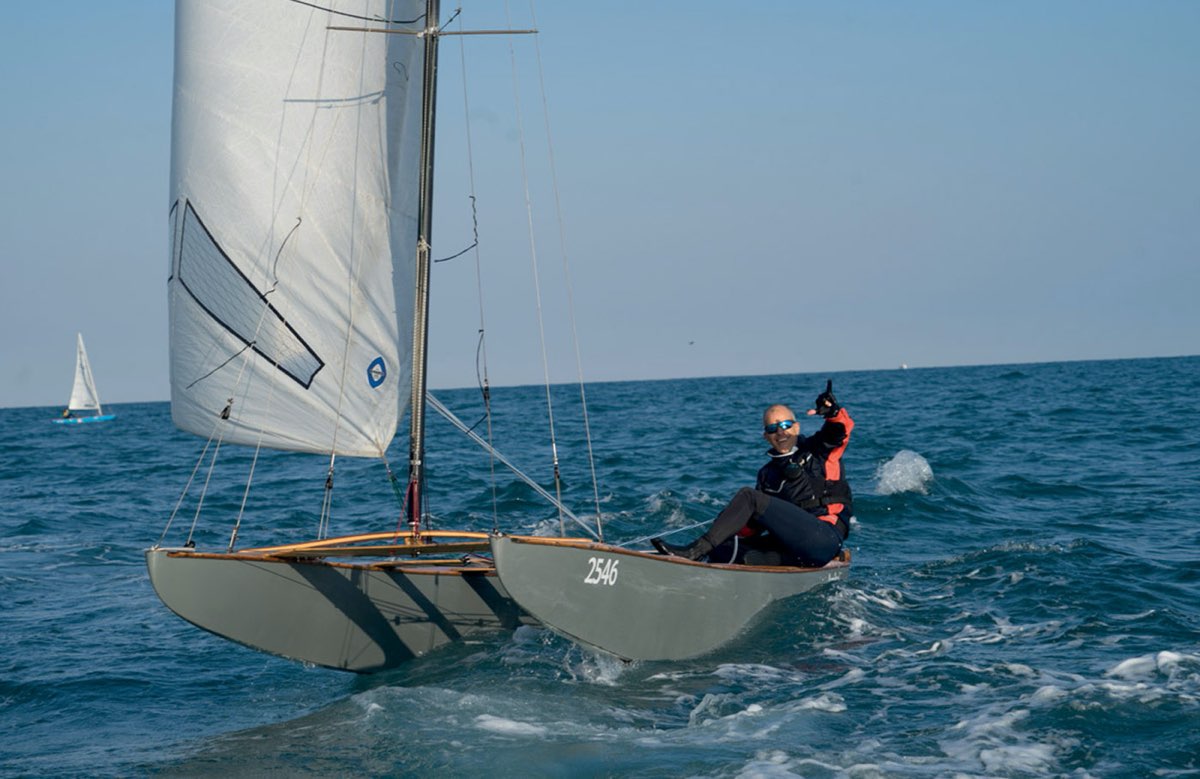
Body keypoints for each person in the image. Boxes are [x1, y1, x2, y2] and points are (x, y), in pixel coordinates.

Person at [651, 380, 854, 567]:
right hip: (789, 546)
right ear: (766, 436)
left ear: (797, 426)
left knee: (749, 497)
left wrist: (832, 412)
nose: (781, 433)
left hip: (823, 538)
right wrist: (729, 528)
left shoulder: (820, 449)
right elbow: (755, 526)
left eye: (785, 425)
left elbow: (839, 431)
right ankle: (695, 568)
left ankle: (695, 551)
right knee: (723, 546)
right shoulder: (767, 474)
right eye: (773, 428)